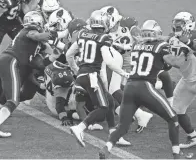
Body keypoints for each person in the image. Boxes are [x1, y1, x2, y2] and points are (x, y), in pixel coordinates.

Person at [99, 20, 181, 159]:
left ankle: (107, 148)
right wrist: (185, 53)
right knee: (173, 119)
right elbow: (174, 62)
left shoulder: (137, 45)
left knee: (123, 126)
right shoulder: (161, 46)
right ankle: (177, 155)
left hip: (130, 86)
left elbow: (154, 58)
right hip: (145, 86)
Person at [66, 10, 130, 147]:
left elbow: (69, 54)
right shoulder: (104, 38)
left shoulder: (83, 34)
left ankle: (115, 135)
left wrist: (76, 70)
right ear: (105, 23)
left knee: (111, 102)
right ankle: (80, 128)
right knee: (104, 107)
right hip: (92, 77)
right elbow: (109, 62)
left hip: (82, 75)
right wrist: (124, 73)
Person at [165, 12, 196, 149]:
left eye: (180, 22)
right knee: (177, 109)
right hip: (187, 79)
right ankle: (193, 136)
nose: (177, 25)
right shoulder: (172, 38)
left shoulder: (193, 36)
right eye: (176, 22)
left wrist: (188, 42)